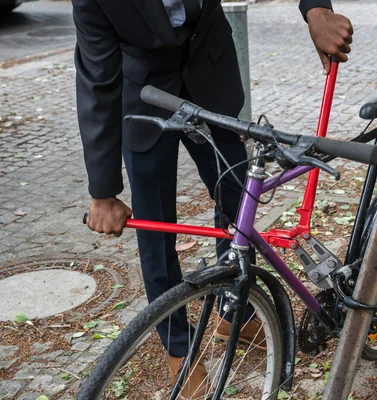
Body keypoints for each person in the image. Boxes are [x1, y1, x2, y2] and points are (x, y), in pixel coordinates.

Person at [73, 0, 352, 396]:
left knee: (238, 201)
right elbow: (96, 79)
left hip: (209, 75)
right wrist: (103, 191)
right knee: (156, 232)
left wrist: (316, 11)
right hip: (145, 94)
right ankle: (180, 350)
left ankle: (233, 311)